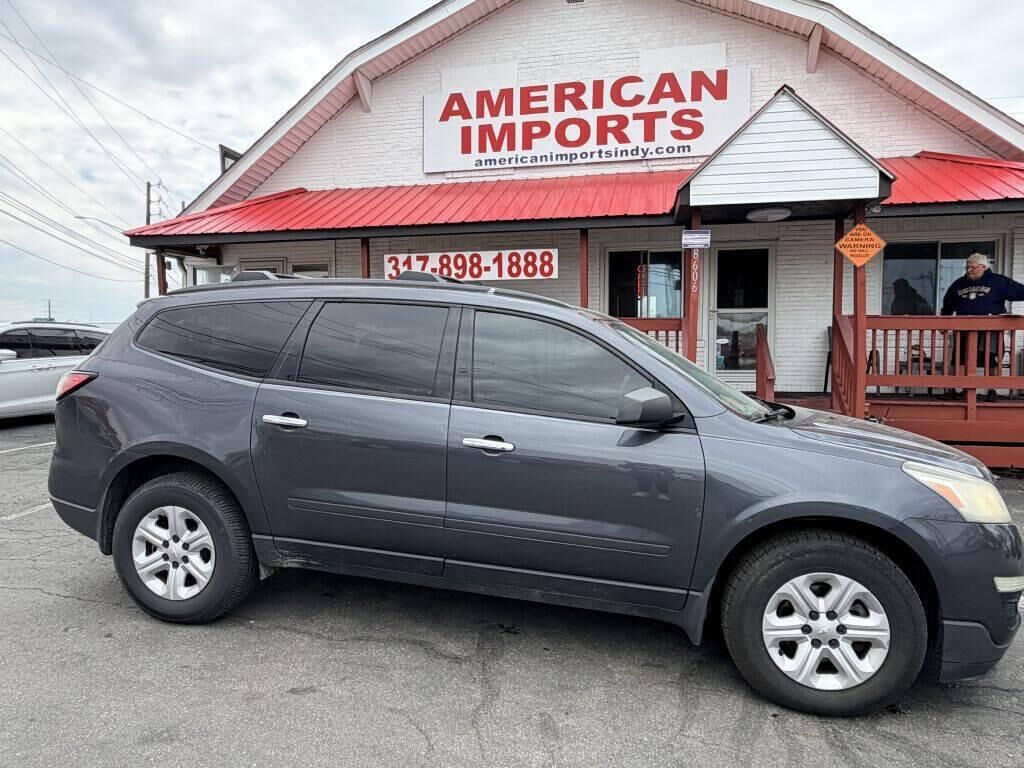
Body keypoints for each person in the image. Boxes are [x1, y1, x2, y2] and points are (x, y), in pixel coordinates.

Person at [940, 253, 1024, 401]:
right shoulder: (959, 283)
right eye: (967, 267)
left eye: (972, 267)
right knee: (959, 359)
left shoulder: (998, 281)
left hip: (990, 328)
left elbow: (1019, 291)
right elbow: (948, 303)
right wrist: (944, 320)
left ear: (984, 267)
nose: (969, 270)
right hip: (963, 327)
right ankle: (956, 388)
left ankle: (992, 389)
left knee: (992, 359)